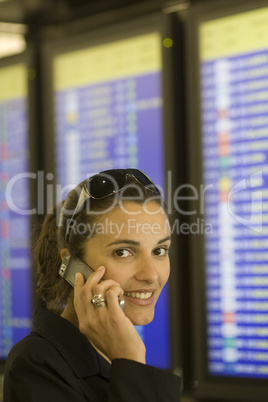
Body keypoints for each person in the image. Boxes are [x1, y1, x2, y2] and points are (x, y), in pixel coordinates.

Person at [3, 168, 182, 401]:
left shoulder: (110, 357)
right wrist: (130, 360)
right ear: (71, 265)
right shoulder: (35, 367)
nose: (151, 275)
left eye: (159, 250)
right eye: (123, 252)